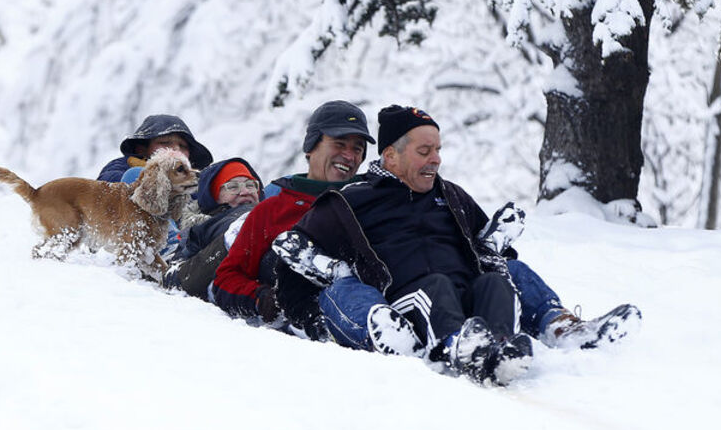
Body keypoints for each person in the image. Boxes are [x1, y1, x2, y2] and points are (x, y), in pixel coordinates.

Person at [273, 106, 642, 386]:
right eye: (424, 151)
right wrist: (311, 321)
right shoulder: (350, 200)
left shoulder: (450, 195)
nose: (435, 159)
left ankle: (547, 332)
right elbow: (291, 266)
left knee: (500, 278)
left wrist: (496, 254)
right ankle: (456, 345)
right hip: (409, 299)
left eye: (437, 150)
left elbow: (493, 252)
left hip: (467, 297)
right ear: (391, 156)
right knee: (435, 286)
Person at [211, 100, 378, 338]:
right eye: (339, 144)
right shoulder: (273, 210)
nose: (349, 156)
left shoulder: (368, 205)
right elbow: (226, 279)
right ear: (311, 147)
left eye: (358, 149)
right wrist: (263, 299)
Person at [163, 158, 264, 299]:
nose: (245, 191)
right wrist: (227, 241)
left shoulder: (273, 214)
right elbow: (174, 277)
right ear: (214, 197)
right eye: (233, 187)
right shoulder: (199, 230)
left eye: (250, 185)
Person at [97, 114, 213, 183]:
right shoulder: (124, 165)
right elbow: (107, 182)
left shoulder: (197, 179)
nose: (176, 149)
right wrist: (158, 176)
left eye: (183, 146)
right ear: (141, 149)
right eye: (165, 143)